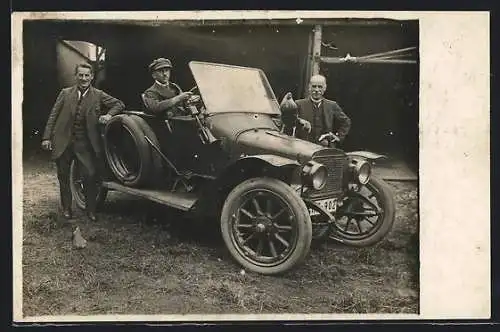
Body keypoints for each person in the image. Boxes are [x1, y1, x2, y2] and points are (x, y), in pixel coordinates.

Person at [41, 62, 125, 222]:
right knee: (63, 176)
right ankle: (66, 208)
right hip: (63, 141)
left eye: (87, 75)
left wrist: (109, 115)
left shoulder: (98, 95)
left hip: (85, 144)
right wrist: (46, 137)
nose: (84, 78)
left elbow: (119, 104)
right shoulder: (65, 93)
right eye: (81, 75)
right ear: (76, 76)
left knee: (90, 175)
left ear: (92, 77)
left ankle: (91, 210)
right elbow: (53, 115)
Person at [282, 74, 351, 147]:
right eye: (314, 86)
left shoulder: (332, 105)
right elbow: (288, 120)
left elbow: (346, 122)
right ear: (309, 87)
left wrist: (338, 137)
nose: (317, 90)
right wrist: (300, 121)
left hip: (325, 147)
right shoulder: (299, 104)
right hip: (303, 146)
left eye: (320, 87)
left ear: (324, 88)